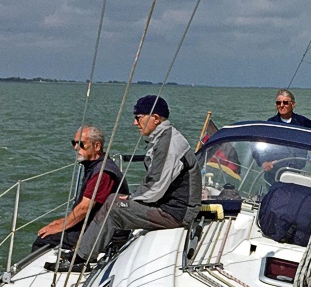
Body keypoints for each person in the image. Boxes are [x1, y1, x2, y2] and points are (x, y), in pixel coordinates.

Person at [49, 95, 200, 270]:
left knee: (114, 206)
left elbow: (156, 187)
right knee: (116, 201)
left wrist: (129, 199)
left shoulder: (168, 144)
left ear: (156, 118)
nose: (135, 123)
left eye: (138, 117)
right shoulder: (166, 137)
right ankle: (88, 249)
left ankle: (80, 259)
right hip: (172, 207)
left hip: (175, 214)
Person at [33, 125, 127, 253]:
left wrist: (61, 226)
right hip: (94, 225)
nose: (76, 148)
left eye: (81, 144)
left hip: (103, 232)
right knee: (50, 229)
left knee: (43, 239)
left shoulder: (103, 173)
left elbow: (85, 208)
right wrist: (62, 222)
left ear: (97, 146)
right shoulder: (95, 167)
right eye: (74, 143)